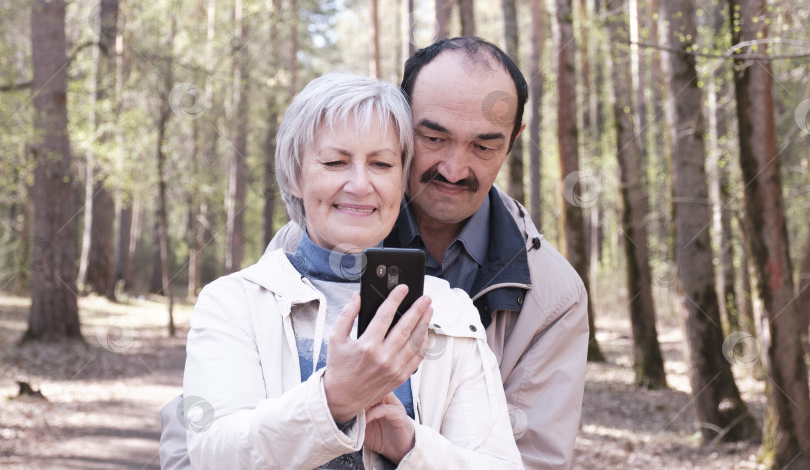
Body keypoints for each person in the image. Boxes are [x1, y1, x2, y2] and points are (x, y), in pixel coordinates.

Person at [172, 72, 522, 469]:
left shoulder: (448, 311)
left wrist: (410, 446)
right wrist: (333, 401)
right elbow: (214, 455)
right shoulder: (235, 303)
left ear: (400, 181)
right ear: (294, 176)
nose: (360, 184)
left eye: (381, 164)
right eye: (336, 162)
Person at [269, 38, 589, 469]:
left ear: (514, 140)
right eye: (434, 137)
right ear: (401, 125)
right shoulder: (303, 244)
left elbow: (533, 460)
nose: (454, 169)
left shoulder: (553, 293)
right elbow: (223, 425)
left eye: (483, 146)